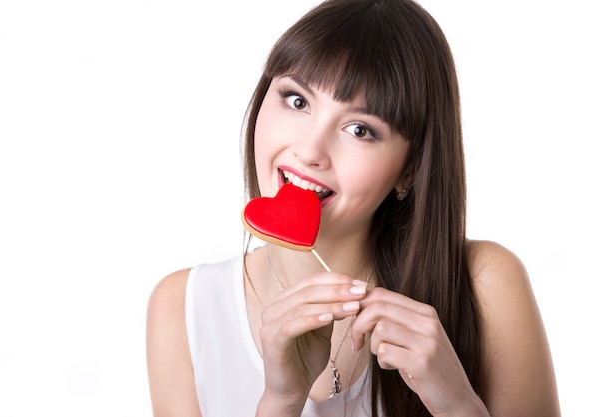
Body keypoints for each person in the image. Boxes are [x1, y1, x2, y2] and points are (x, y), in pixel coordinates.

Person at [146, 0, 561, 416]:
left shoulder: (485, 284)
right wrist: (282, 401)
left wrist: (457, 405)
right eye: (297, 101)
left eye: (359, 129)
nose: (309, 150)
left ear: (410, 169)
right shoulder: (183, 307)